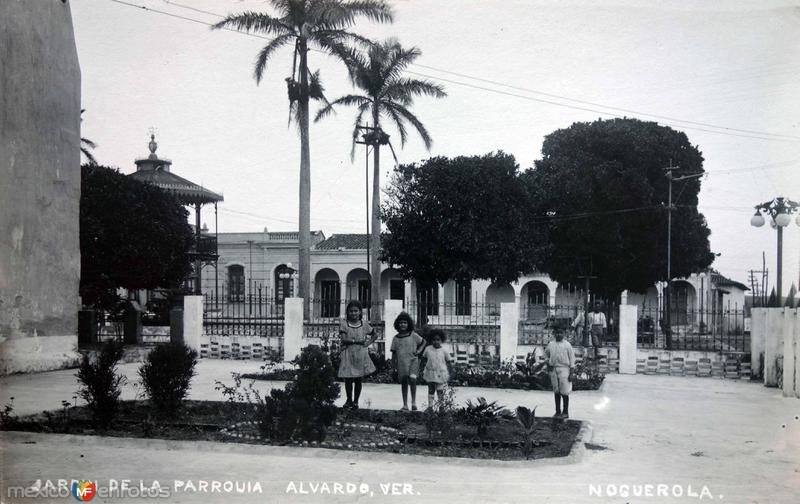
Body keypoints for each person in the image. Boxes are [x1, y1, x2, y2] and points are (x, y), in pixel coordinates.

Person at [338, 300, 376, 409]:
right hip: (348, 354)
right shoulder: (344, 324)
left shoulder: (364, 324)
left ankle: (356, 401)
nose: (353, 313)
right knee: (348, 378)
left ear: (360, 312)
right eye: (351, 311)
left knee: (358, 378)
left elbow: (375, 334)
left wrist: (367, 343)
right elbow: (344, 339)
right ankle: (348, 400)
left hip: (360, 354)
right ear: (347, 312)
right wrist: (358, 341)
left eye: (356, 311)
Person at [390, 312, 425, 411]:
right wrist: (393, 368)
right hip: (402, 364)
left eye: (405, 322)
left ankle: (413, 402)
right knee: (404, 382)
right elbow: (393, 354)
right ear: (397, 324)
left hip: (413, 361)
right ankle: (405, 404)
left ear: (408, 324)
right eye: (401, 322)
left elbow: (423, 342)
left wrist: (419, 351)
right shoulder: (395, 339)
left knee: (413, 379)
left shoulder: (413, 335)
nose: (403, 324)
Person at [545, 327, 576, 419]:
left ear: (564, 334)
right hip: (554, 369)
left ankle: (565, 412)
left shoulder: (567, 345)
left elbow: (572, 359)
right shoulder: (551, 344)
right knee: (556, 390)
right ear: (554, 334)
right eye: (557, 333)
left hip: (564, 369)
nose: (559, 335)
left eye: (561, 333)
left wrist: (571, 373)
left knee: (564, 391)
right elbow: (546, 355)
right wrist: (548, 364)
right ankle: (557, 411)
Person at [421, 329, 452, 410]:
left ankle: (441, 407)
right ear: (431, 340)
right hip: (430, 372)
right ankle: (430, 407)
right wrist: (421, 369)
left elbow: (449, 362)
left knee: (440, 390)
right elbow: (423, 359)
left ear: (441, 340)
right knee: (431, 389)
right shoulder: (428, 349)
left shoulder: (444, 350)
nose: (436, 341)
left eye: (438, 339)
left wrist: (451, 372)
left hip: (441, 373)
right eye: (434, 340)